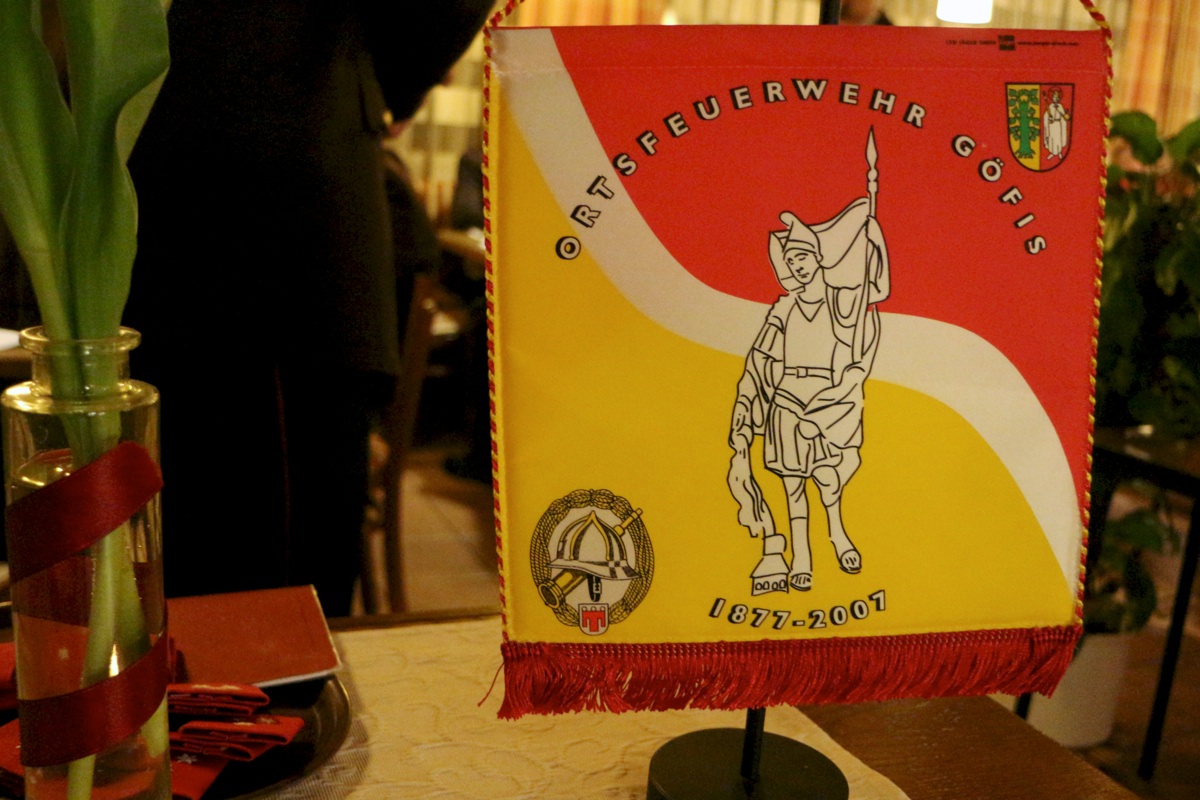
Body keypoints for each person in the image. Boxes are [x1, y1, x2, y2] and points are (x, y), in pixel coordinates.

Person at [124, 1, 492, 616]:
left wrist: (365, 76)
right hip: (229, 201)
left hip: (259, 215)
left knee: (263, 596)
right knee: (193, 577)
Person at [728, 192, 890, 594]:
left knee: (828, 479)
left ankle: (837, 531)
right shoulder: (783, 307)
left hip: (827, 402)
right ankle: (801, 555)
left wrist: (873, 237)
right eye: (790, 260)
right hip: (786, 401)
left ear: (818, 258)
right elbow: (760, 355)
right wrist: (747, 403)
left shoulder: (843, 301)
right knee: (793, 485)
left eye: (802, 257)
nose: (796, 266)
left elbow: (876, 290)